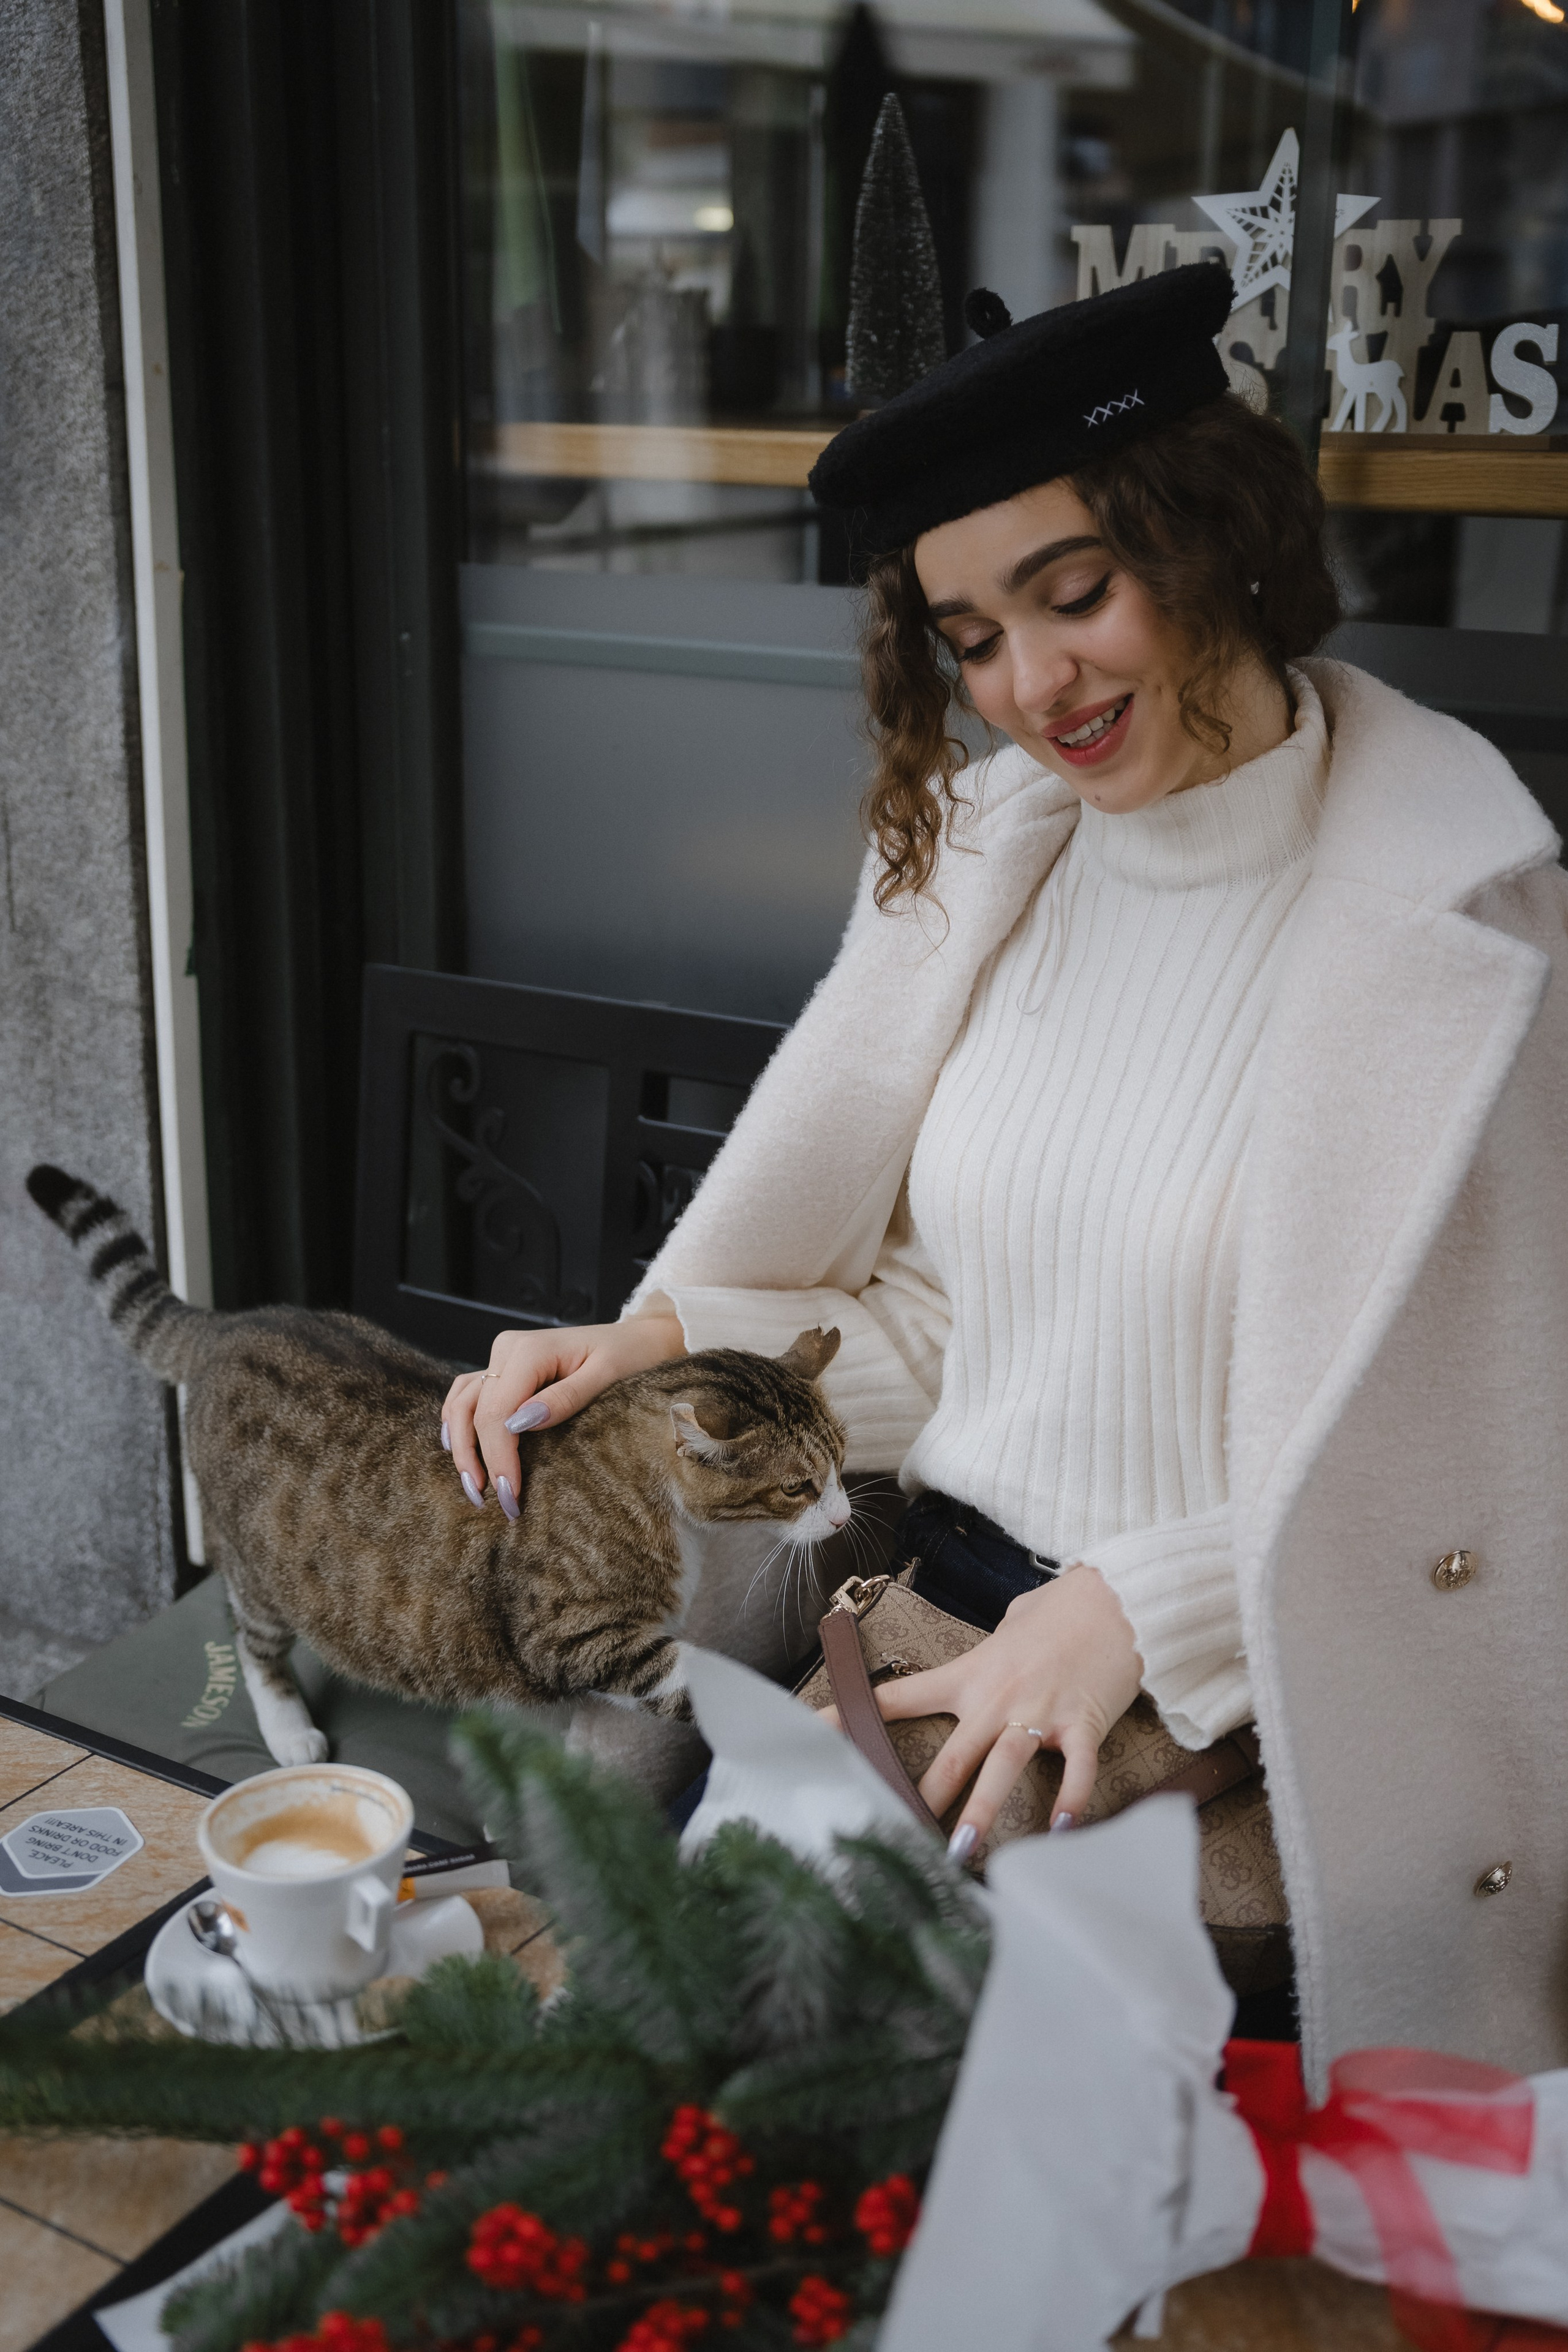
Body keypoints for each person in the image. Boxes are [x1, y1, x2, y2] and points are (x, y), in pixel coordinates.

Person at [444, 265, 1568, 2074]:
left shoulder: (1465, 930)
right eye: (970, 635)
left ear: (1221, 540)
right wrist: (669, 1344)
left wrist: (1145, 1610)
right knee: (660, 2114)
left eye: (1078, 593)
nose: (1033, 687)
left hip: (1220, 1730)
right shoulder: (1002, 869)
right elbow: (972, 1322)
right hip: (915, 1627)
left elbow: (1505, 1458)